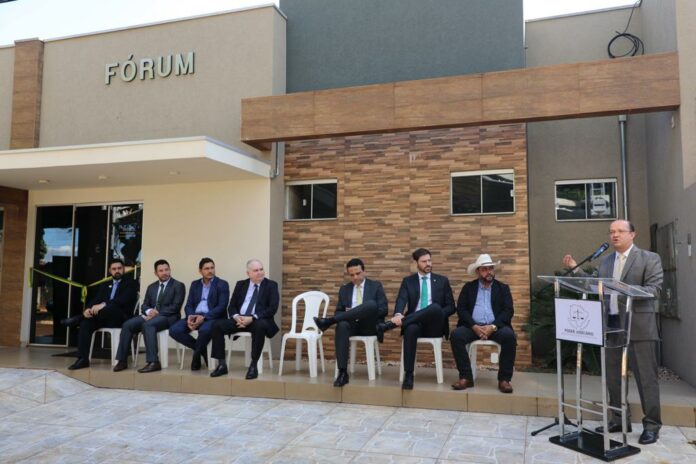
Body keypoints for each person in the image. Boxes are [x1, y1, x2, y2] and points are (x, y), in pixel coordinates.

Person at [563, 219, 663, 445]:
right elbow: (596, 285)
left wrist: (621, 288)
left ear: (632, 234)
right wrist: (576, 269)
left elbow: (654, 290)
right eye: (611, 232)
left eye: (620, 231)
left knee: (646, 379)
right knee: (613, 378)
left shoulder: (649, 258)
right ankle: (619, 419)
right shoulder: (607, 261)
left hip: (639, 328)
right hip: (611, 325)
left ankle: (652, 425)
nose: (614, 235)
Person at [377, 248, 454, 390]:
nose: (428, 264)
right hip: (415, 323)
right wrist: (398, 314)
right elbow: (401, 299)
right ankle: (409, 374)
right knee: (410, 329)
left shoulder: (442, 281)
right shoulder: (408, 281)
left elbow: (451, 307)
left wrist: (437, 314)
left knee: (435, 308)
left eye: (429, 260)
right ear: (416, 263)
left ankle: (389, 325)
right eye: (424, 261)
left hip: (435, 325)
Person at [313, 258, 388, 387]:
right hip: (351, 325)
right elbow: (339, 312)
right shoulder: (345, 289)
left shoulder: (375, 286)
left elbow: (383, 310)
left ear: (364, 271)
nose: (355, 277)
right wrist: (350, 313)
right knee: (342, 325)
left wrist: (362, 311)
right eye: (351, 275)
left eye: (358, 273)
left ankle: (329, 321)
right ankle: (342, 373)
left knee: (370, 304)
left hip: (369, 325)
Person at [449, 254, 516, 393]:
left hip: (496, 327)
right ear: (478, 271)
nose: (488, 272)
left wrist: (493, 327)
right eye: (484, 269)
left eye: (490, 268)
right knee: (456, 335)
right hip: (473, 327)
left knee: (509, 336)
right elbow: (461, 309)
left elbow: (508, 311)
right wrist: (474, 326)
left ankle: (504, 380)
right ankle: (466, 377)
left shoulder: (503, 288)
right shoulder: (468, 287)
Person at [62, 258, 139, 370]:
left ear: (123, 269)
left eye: (119, 268)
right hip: (103, 318)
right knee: (86, 323)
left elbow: (122, 300)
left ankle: (77, 319)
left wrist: (103, 305)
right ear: (110, 271)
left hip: (121, 318)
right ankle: (83, 359)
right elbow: (96, 299)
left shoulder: (131, 283)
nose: (117, 271)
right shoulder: (106, 284)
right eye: (114, 269)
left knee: (111, 307)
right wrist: (88, 309)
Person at [209, 259, 279, 380]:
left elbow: (272, 308)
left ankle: (253, 365)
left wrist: (252, 317)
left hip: (258, 320)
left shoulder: (271, 285)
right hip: (240, 319)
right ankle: (222, 364)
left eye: (261, 269)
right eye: (256, 270)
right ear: (248, 273)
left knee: (260, 326)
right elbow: (232, 306)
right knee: (217, 325)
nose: (260, 272)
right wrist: (237, 317)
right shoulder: (241, 284)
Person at [113, 259, 185, 373]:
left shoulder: (178, 285)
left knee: (148, 325)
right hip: (150, 316)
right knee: (127, 325)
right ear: (156, 273)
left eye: (166, 269)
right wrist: (149, 311)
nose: (164, 272)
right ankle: (122, 361)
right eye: (161, 270)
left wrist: (156, 313)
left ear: (170, 270)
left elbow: (175, 307)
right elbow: (144, 305)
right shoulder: (152, 287)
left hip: (169, 317)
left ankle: (153, 362)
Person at [169, 258, 230, 370]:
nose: (210, 271)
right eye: (206, 268)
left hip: (212, 317)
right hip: (195, 316)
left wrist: (204, 317)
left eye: (212, 268)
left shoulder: (222, 284)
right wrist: (190, 317)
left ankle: (196, 355)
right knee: (174, 330)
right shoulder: (195, 284)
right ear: (200, 271)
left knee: (204, 330)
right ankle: (202, 350)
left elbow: (222, 307)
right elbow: (189, 305)